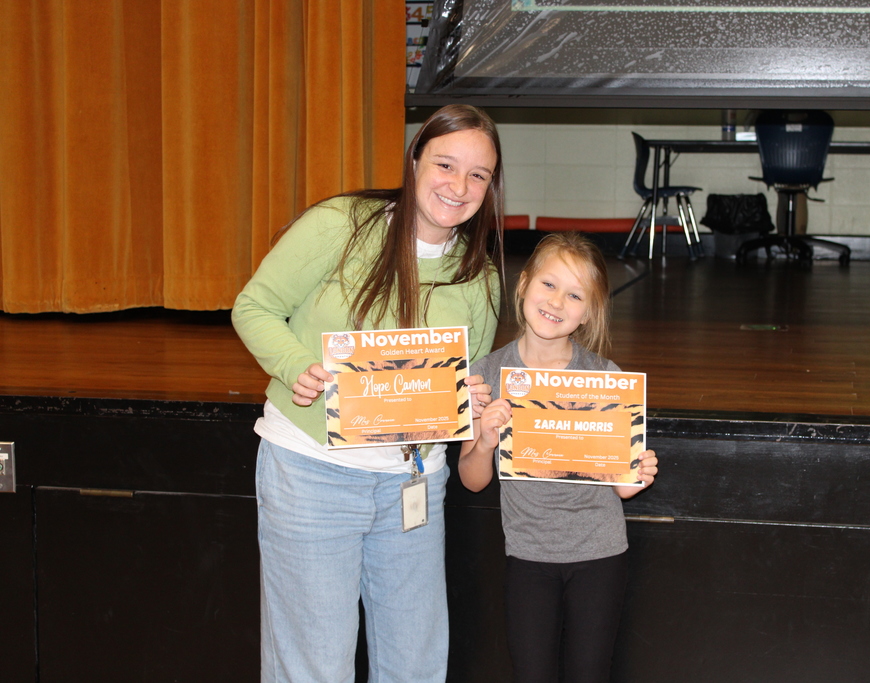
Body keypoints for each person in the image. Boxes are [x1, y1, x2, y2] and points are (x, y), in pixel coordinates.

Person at [231, 104, 505, 683]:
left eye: (477, 174)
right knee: (313, 667)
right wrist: (294, 365)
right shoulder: (342, 223)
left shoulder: (480, 277)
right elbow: (254, 306)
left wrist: (472, 401)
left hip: (414, 484)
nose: (458, 186)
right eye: (445, 164)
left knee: (415, 666)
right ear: (415, 161)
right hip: (311, 473)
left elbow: (464, 384)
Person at [459, 232, 659, 683]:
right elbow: (472, 480)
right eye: (548, 284)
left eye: (574, 295)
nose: (556, 302)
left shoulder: (605, 378)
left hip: (600, 554)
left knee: (590, 673)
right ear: (523, 284)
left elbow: (621, 488)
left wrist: (638, 474)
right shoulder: (486, 375)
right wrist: (486, 440)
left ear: (588, 312)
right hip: (527, 557)